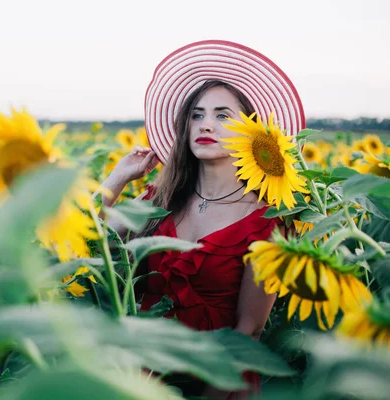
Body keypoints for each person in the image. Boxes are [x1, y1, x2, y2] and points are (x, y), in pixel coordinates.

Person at [98, 40, 306, 399]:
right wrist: (116, 181)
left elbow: (249, 330)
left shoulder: (267, 220)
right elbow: (90, 242)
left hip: (218, 382)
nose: (206, 124)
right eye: (197, 114)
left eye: (223, 115)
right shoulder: (159, 198)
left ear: (252, 133)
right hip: (140, 376)